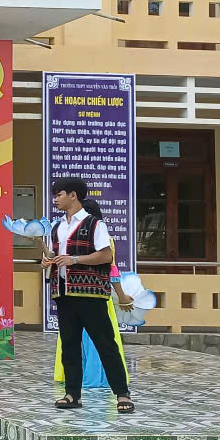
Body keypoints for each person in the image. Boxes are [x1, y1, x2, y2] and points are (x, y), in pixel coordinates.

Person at [44, 177, 134, 414]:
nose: (56, 199)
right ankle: (72, 394)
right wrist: (48, 262)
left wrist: (74, 259)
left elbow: (105, 256)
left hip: (91, 293)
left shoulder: (95, 224)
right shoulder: (57, 227)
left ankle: (122, 393)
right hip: (63, 292)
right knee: (70, 345)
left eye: (59, 194)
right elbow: (56, 256)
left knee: (105, 344)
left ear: (73, 195)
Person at [54, 250, 129, 391]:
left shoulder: (103, 242)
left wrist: (122, 296)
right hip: (70, 295)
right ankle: (74, 384)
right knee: (72, 342)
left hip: (95, 295)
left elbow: (111, 268)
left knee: (99, 340)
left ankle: (111, 384)